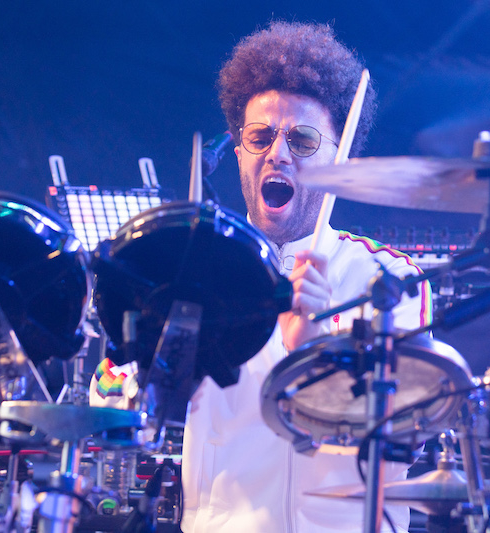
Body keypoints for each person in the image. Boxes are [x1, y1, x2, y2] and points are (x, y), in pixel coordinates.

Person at [180, 21, 433, 533]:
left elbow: (414, 426)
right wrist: (162, 361)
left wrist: (313, 354)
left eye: (301, 139)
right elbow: (110, 402)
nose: (278, 153)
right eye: (260, 137)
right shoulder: (192, 271)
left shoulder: (390, 281)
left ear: (339, 159)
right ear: (239, 153)